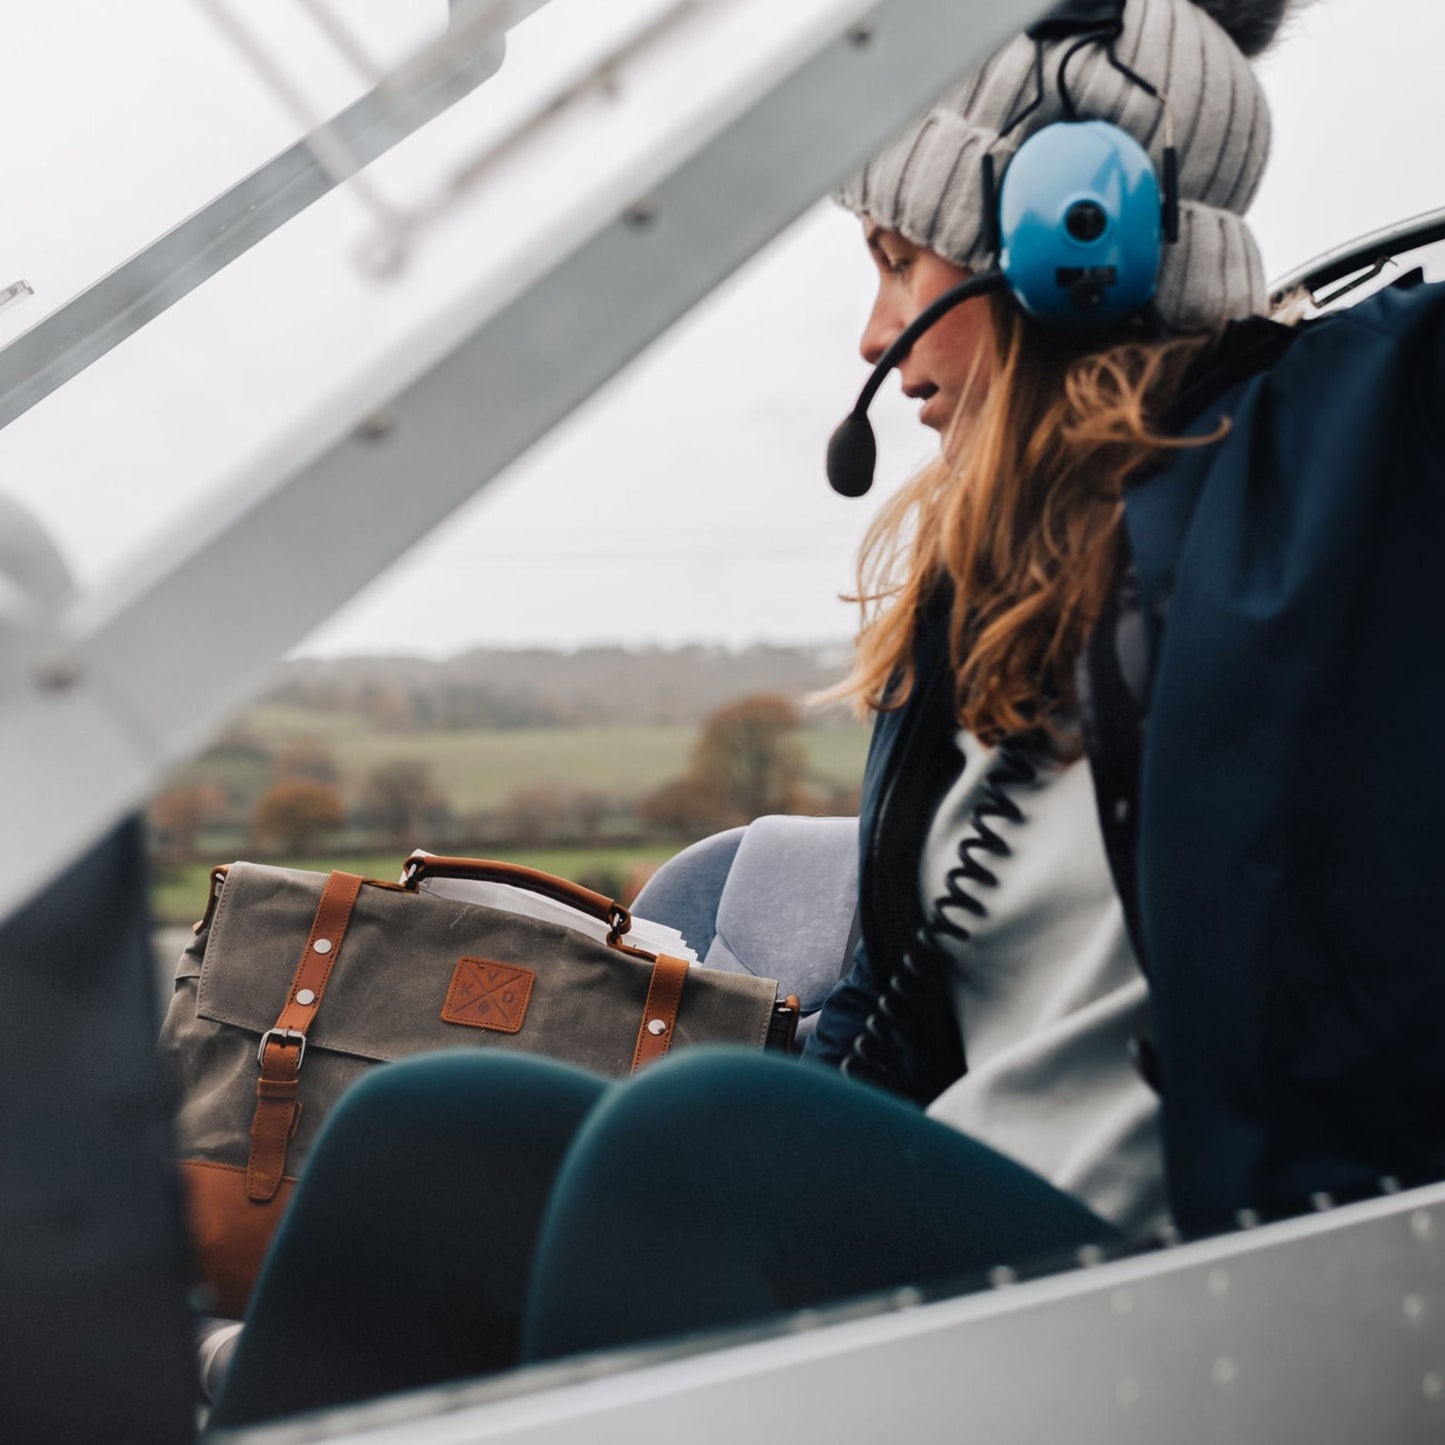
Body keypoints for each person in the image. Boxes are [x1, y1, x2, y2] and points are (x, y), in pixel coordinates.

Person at [209, 0, 1445, 1425]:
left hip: (1197, 1295)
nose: (879, 340)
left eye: (896, 262)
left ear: (1068, 227)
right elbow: (890, 1017)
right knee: (428, 1131)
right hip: (967, 1232)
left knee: (703, 1143)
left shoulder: (1357, 461)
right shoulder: (981, 597)